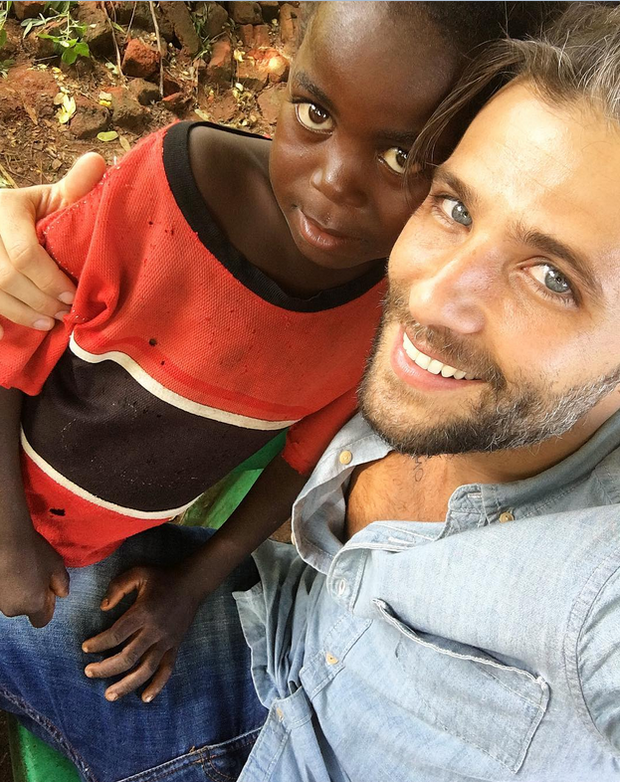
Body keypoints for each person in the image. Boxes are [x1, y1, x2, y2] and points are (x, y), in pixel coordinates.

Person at [2, 3, 620, 781]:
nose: (429, 300)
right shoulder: (359, 279)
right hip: (268, 635)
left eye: (553, 278)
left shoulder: (597, 581)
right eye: (457, 205)